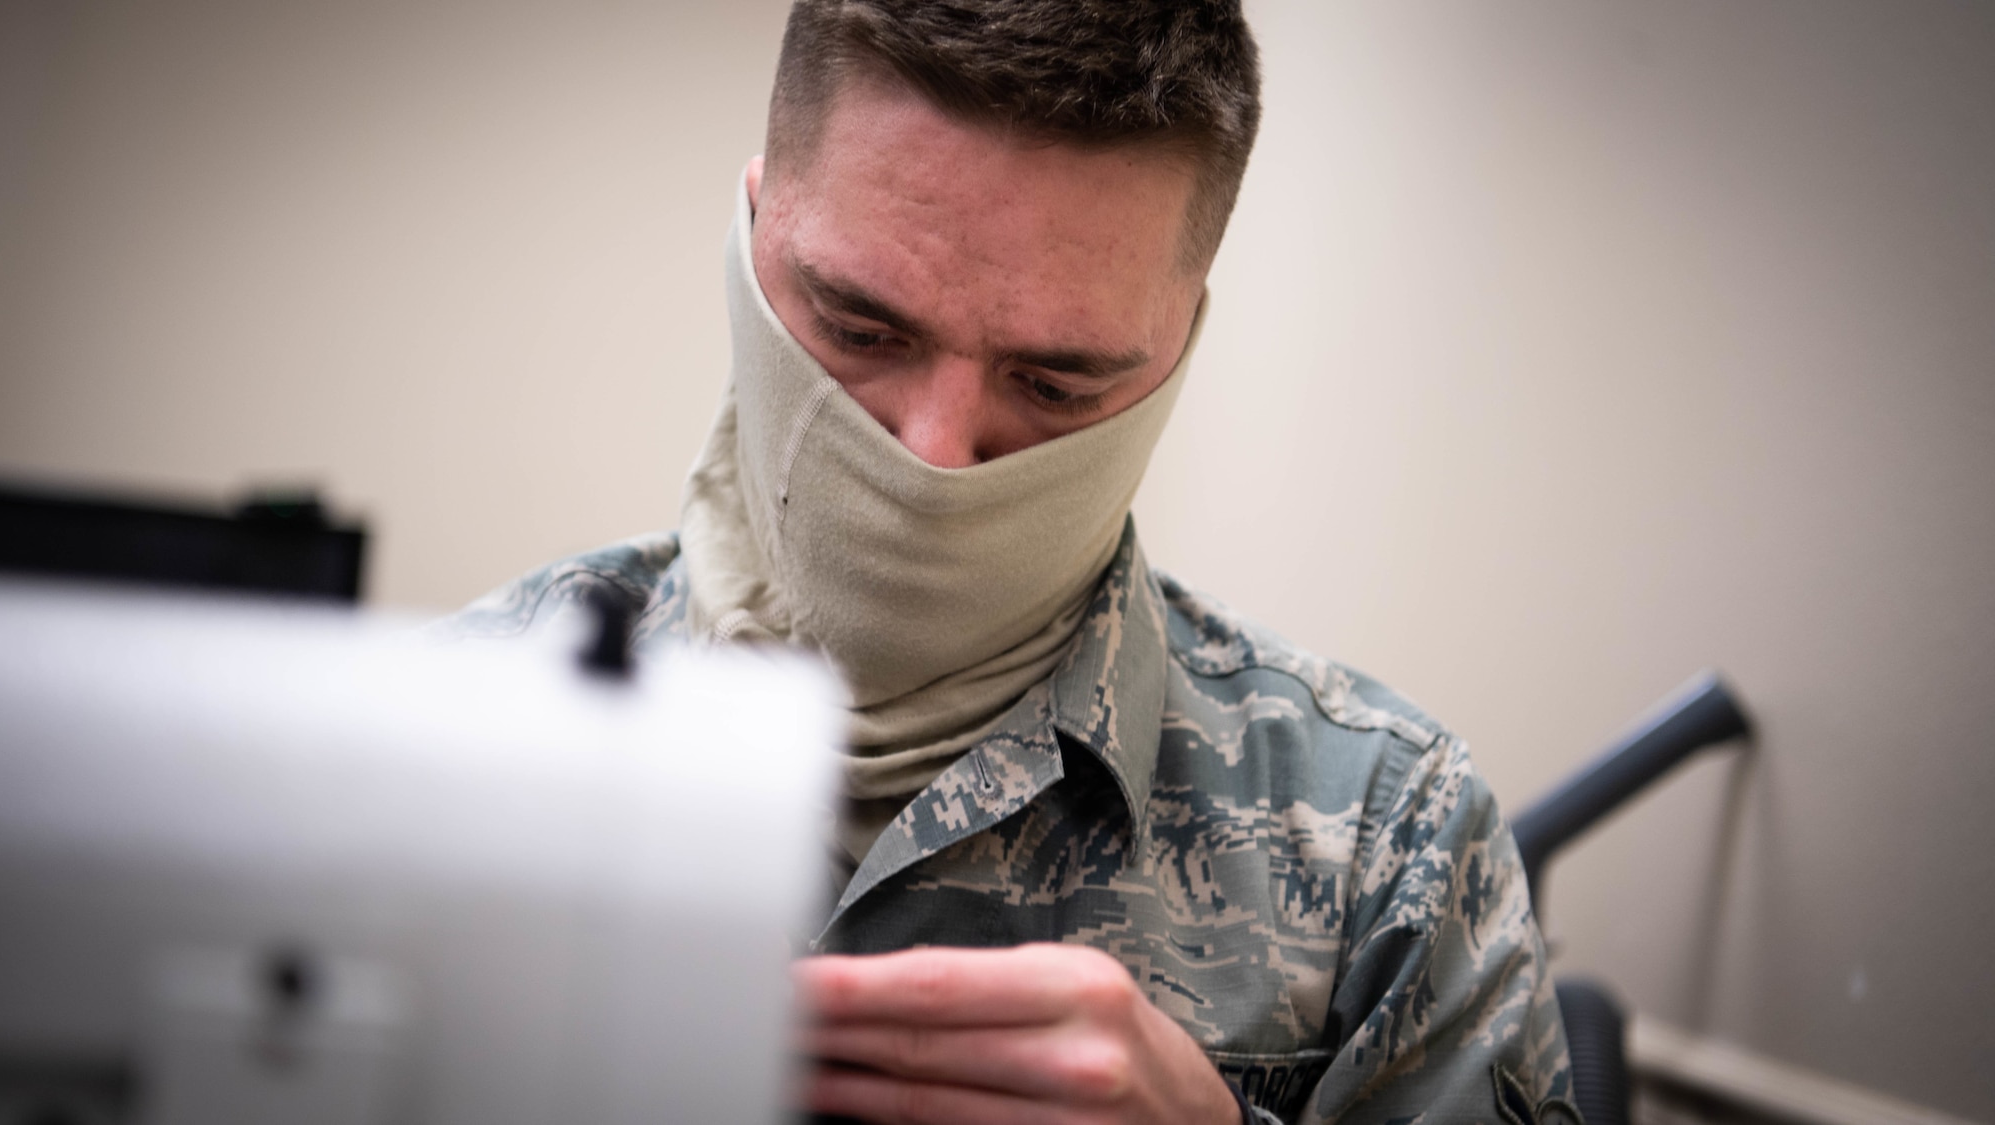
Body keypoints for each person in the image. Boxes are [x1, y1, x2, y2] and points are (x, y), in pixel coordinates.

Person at [443, 2, 1577, 1122]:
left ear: (1176, 350)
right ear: (751, 238)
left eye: (1053, 384)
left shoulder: (1391, 846)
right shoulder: (443, 744)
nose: (933, 457)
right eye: (859, 328)